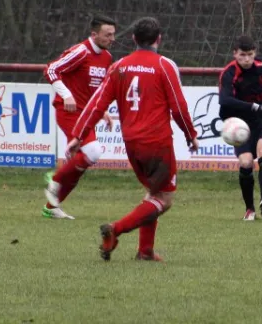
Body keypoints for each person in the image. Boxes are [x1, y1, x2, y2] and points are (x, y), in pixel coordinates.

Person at [67, 17, 199, 261]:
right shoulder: (164, 65)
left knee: (153, 193)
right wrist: (190, 135)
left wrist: (78, 135)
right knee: (164, 199)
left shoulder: (119, 66)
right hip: (157, 143)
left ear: (133, 39)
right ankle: (115, 230)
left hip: (131, 144)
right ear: (158, 39)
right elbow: (178, 108)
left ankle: (145, 251)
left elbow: (97, 104)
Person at [42, 15, 116, 219]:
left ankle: (51, 207)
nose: (112, 38)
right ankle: (54, 178)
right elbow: (51, 69)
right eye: (107, 34)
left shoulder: (107, 57)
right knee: (93, 152)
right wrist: (66, 95)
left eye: (113, 34)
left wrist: (102, 112)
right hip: (69, 112)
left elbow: (96, 89)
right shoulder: (81, 51)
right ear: (94, 34)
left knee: (78, 166)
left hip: (86, 114)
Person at [219, 35, 262, 221]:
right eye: (242, 55)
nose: (246, 59)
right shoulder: (228, 73)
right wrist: (254, 106)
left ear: (255, 53)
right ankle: (249, 209)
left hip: (261, 120)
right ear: (235, 53)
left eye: (250, 55)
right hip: (240, 123)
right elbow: (225, 101)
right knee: (246, 162)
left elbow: (260, 90)